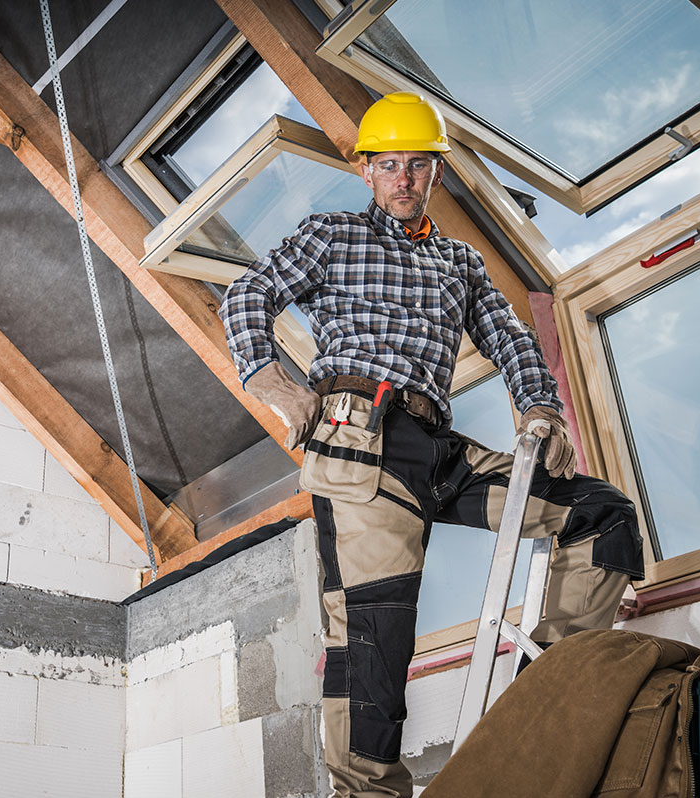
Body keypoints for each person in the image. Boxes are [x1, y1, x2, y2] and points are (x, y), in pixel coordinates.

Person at [219, 91, 644, 798]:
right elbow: (246, 297)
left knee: (602, 513)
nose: (405, 180)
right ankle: (369, 794)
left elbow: (509, 339)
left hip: (438, 450)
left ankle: (550, 692)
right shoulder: (331, 235)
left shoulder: (460, 262)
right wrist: (278, 386)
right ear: (367, 172)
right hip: (360, 446)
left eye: (418, 166)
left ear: (435, 174)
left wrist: (541, 409)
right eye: (390, 166)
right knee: (374, 649)